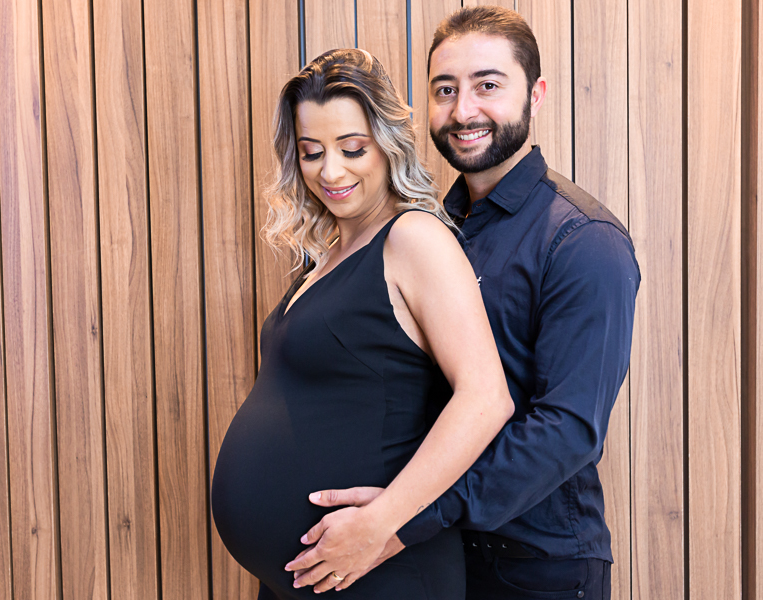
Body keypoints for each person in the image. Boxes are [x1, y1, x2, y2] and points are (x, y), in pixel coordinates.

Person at [287, 7, 640, 599]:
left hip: (530, 568)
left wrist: (404, 519)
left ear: (536, 94)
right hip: (430, 556)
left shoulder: (583, 240)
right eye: (445, 90)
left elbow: (568, 428)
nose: (463, 110)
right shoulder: (429, 228)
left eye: (487, 86)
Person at [210, 48, 514, 599]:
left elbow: (486, 398)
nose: (331, 171)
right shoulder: (328, 253)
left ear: (387, 144)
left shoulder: (414, 238)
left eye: (352, 149)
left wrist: (381, 523)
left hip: (379, 573)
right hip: (311, 577)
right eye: (312, 152)